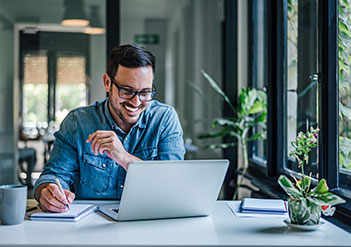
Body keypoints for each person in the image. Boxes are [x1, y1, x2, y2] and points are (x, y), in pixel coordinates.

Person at [34, 44, 185, 212]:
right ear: (107, 83)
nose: (136, 102)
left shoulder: (164, 119)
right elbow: (54, 175)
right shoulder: (78, 122)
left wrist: (124, 158)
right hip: (90, 226)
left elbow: (172, 185)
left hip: (149, 220)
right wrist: (47, 192)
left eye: (145, 92)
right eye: (127, 91)